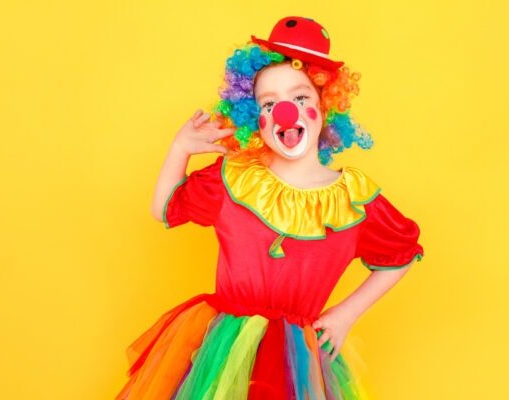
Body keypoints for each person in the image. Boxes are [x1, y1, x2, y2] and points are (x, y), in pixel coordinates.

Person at [116, 16, 424, 400]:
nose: (285, 112)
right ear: (255, 118)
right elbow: (163, 210)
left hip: (298, 362)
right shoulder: (233, 178)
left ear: (325, 107)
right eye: (269, 103)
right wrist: (179, 149)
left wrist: (346, 313)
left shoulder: (353, 198)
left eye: (300, 98)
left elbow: (402, 254)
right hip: (224, 348)